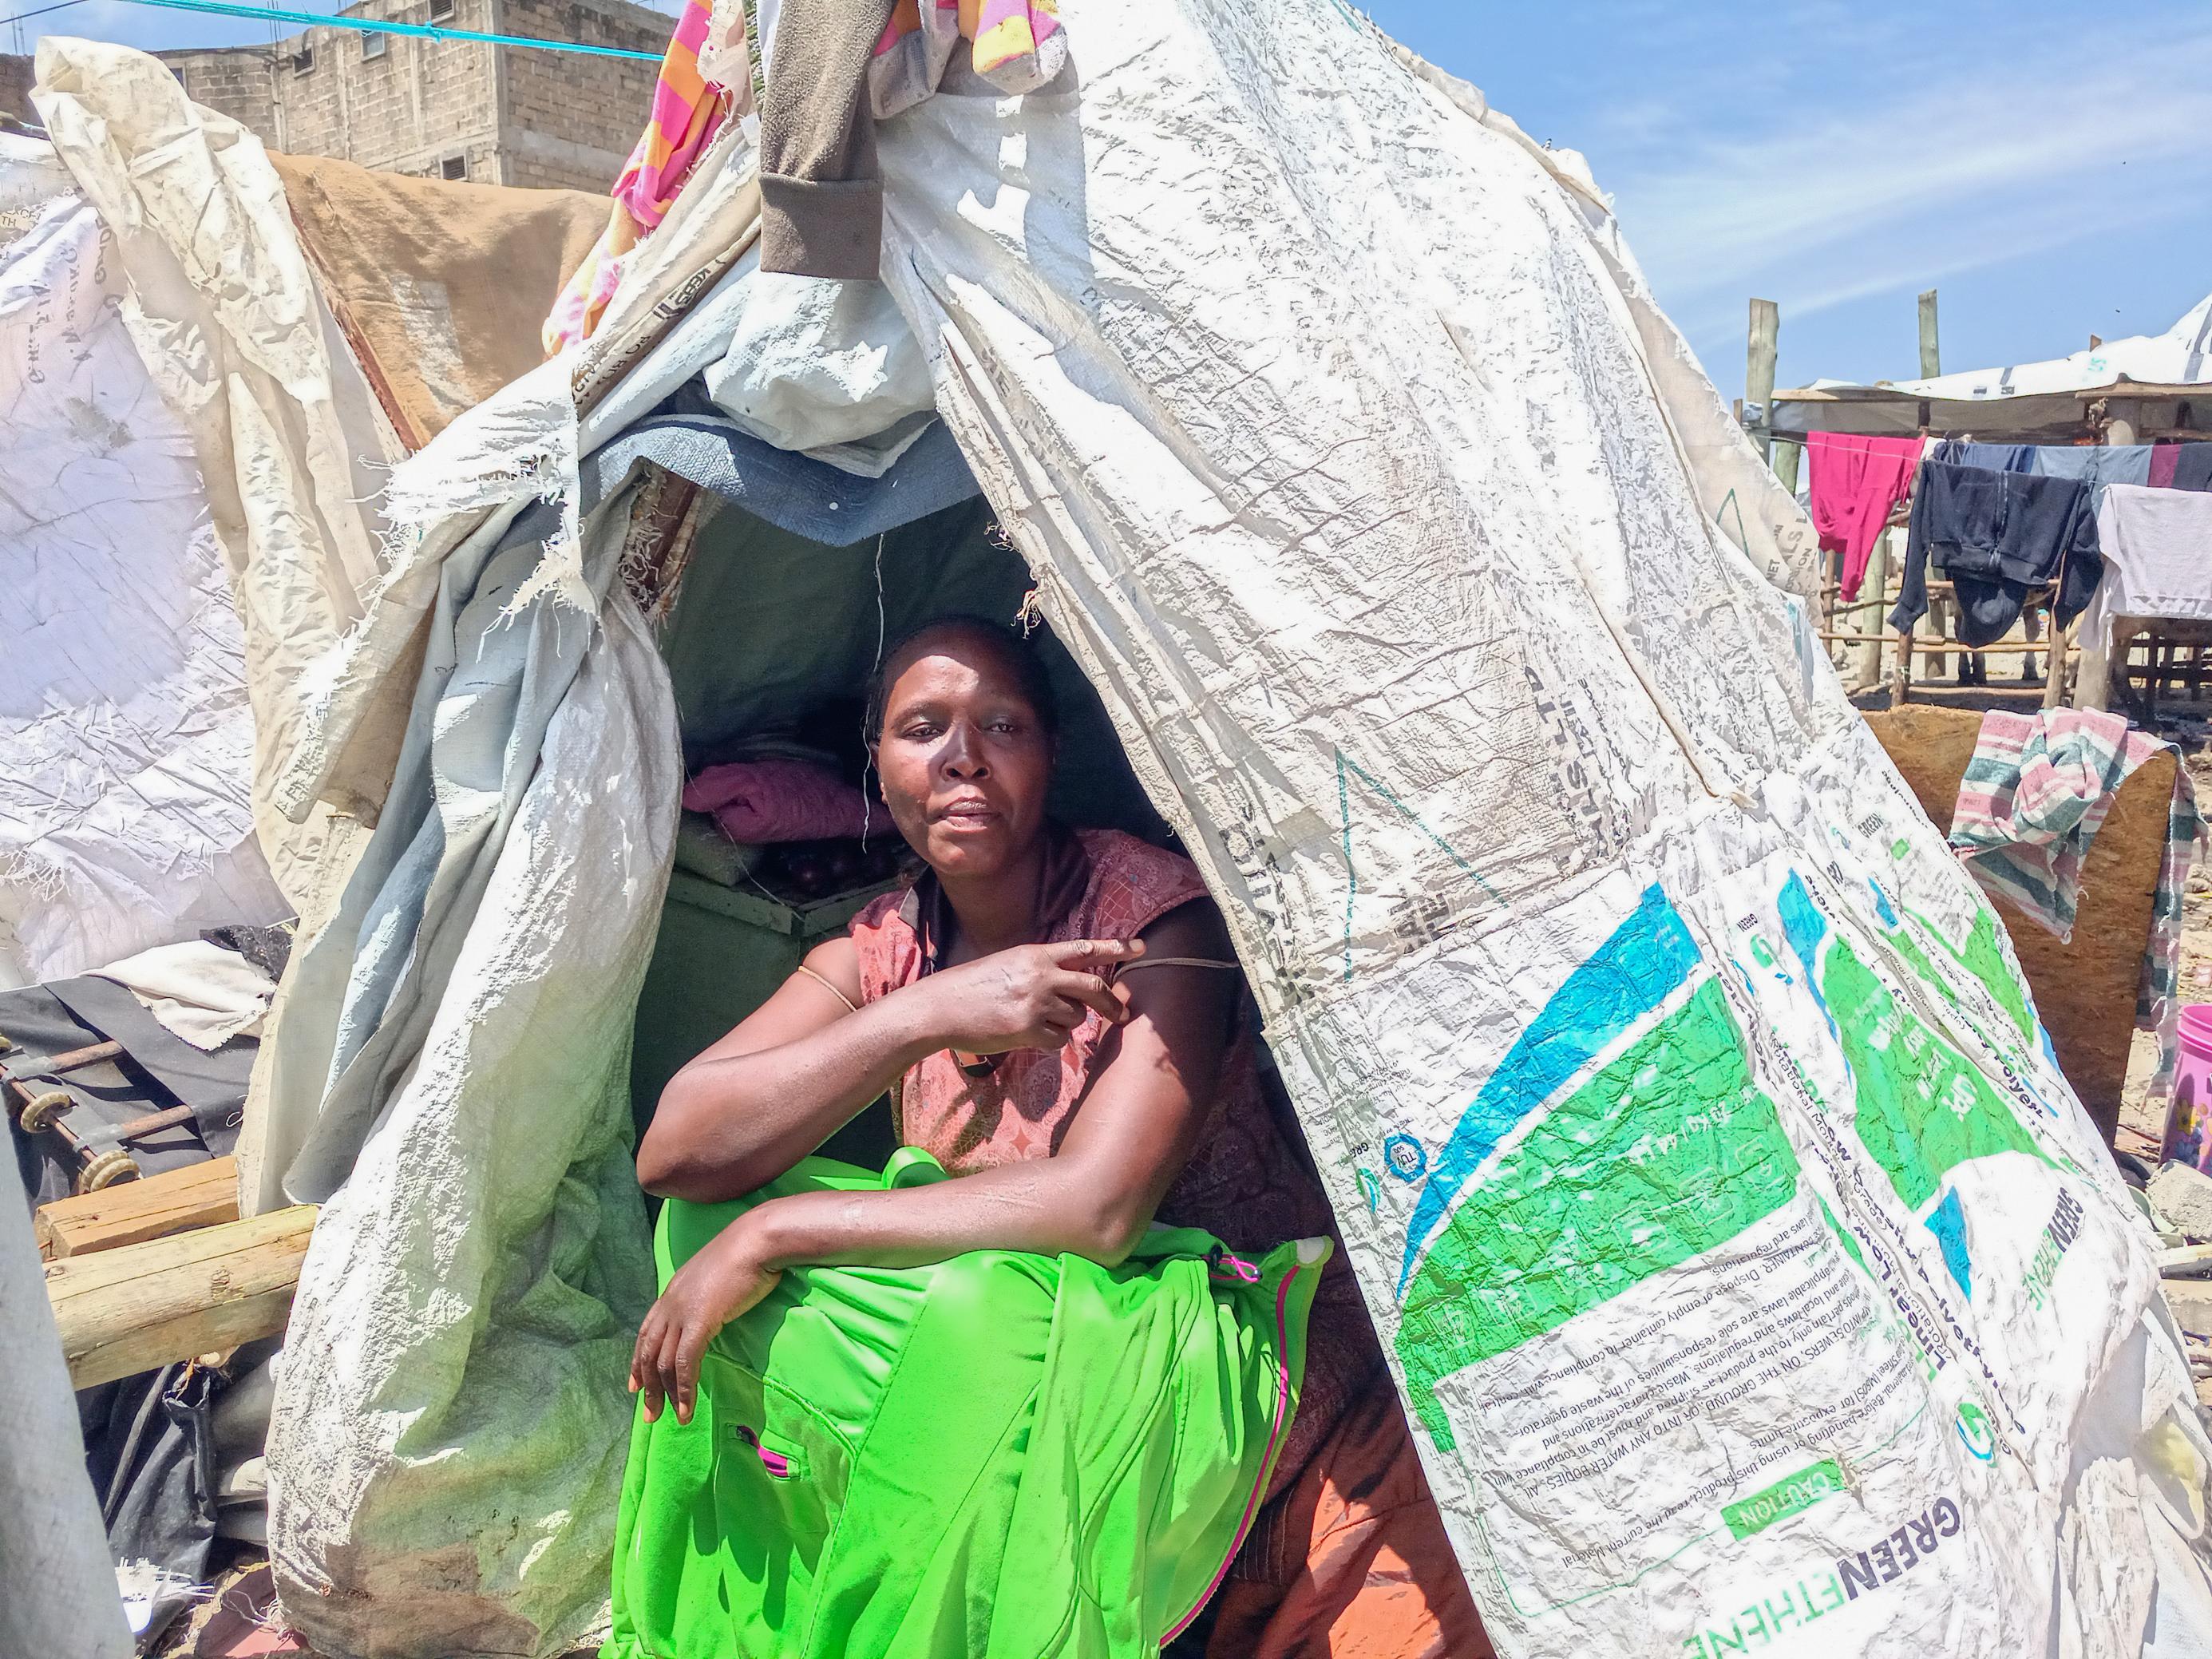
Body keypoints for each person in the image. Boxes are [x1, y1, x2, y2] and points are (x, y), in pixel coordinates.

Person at [631, 616, 1487, 1658]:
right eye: (923, 728)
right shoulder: (893, 940)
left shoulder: (1156, 917)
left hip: (1220, 1332)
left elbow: (1100, 1209)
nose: (961, 756)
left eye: (1002, 724)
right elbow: (675, 1148)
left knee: (961, 1300)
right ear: (881, 768)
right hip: (1010, 1333)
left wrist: (781, 1235)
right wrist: (925, 1012)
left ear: (1050, 756)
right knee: (701, 1217)